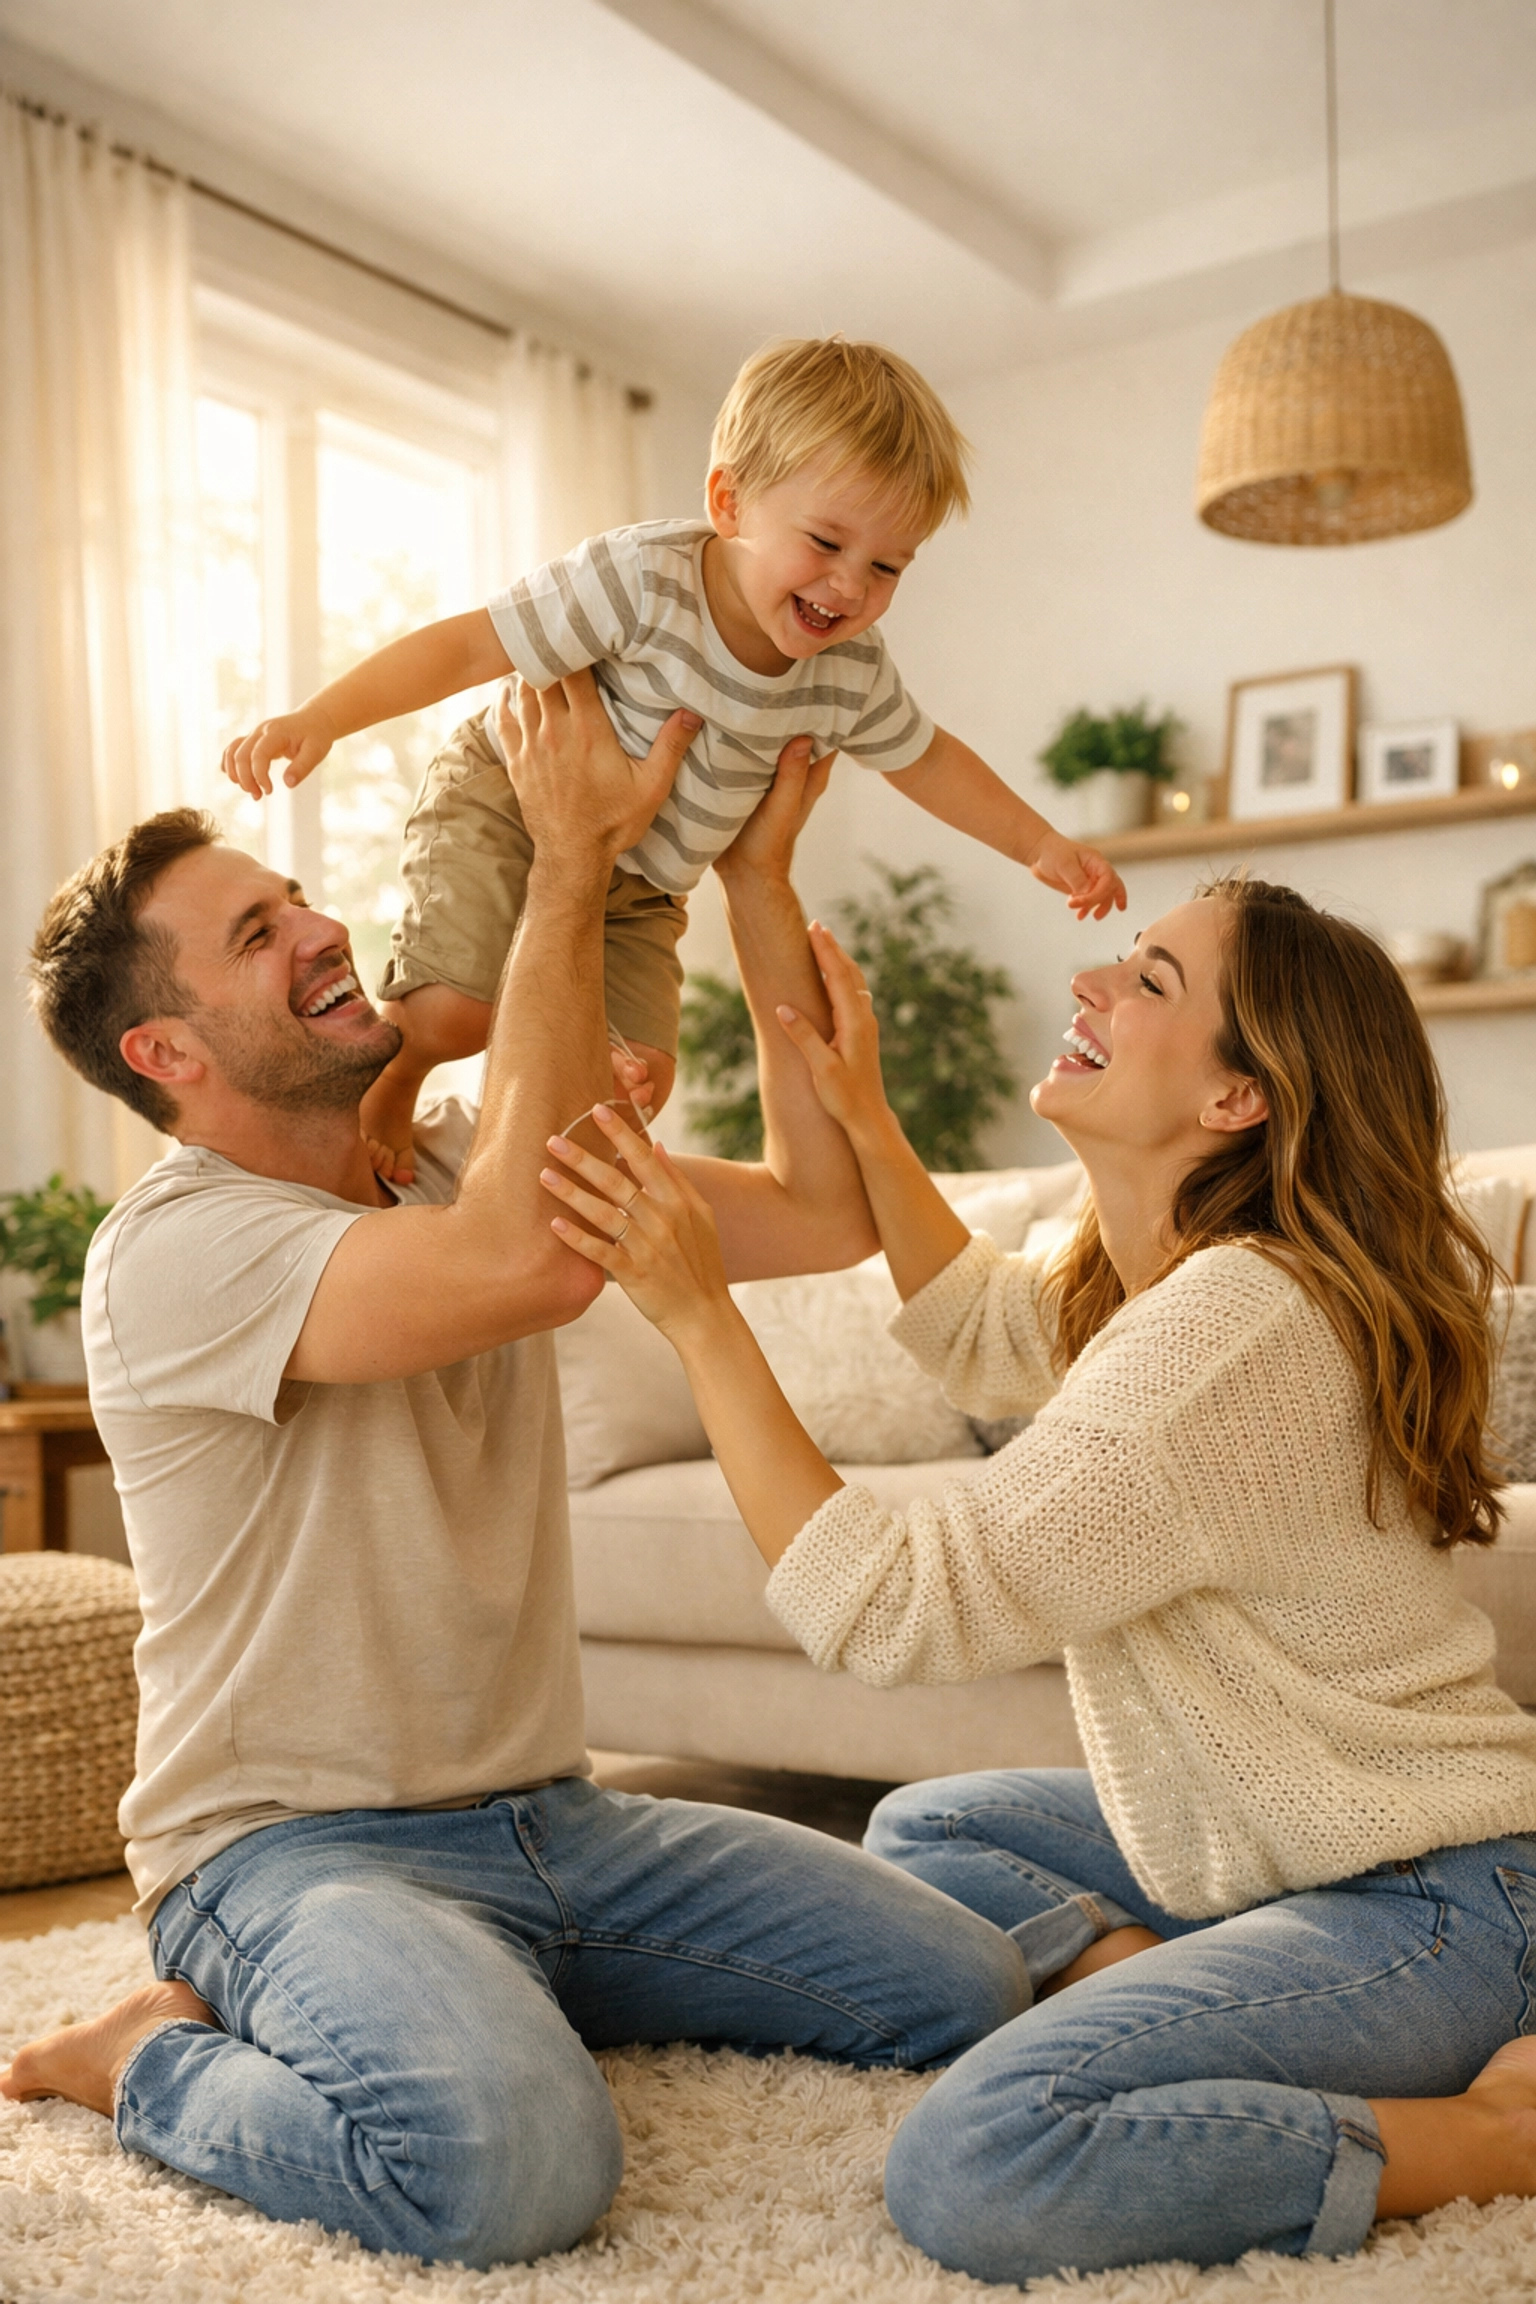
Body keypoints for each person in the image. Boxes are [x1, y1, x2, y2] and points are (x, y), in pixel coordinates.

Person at [0, 676, 1025, 2271]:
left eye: (293, 901)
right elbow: (529, 1269)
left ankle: (489, 1980)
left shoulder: (458, 1151)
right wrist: (564, 859)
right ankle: (145, 2054)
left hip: (556, 1815)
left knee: (964, 1990)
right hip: (288, 1847)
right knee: (508, 2169)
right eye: (256, 939)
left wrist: (754, 880)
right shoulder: (175, 1251)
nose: (319, 931)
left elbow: (821, 1215)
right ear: (166, 1050)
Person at [539, 873, 1536, 2281]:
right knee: (932, 1831)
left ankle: (1499, 2132)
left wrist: (701, 1314)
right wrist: (864, 1113)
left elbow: (891, 1608)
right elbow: (976, 1326)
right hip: (1273, 1849)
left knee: (980, 2162)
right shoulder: (1165, 1281)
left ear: (1239, 1098)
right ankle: (1171, 1991)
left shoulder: (1230, 1328)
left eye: (1149, 983)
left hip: (1426, 1897)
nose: (1090, 987)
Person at [220, 335, 1126, 1181]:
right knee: (456, 1013)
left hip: (646, 882)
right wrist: (325, 716)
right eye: (825, 543)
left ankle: (501, 1163)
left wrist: (1039, 843)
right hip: (511, 799)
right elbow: (472, 646)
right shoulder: (643, 579)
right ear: (729, 503)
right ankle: (400, 1072)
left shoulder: (849, 673)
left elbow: (927, 759)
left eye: (890, 567)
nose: (850, 586)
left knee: (640, 1076)